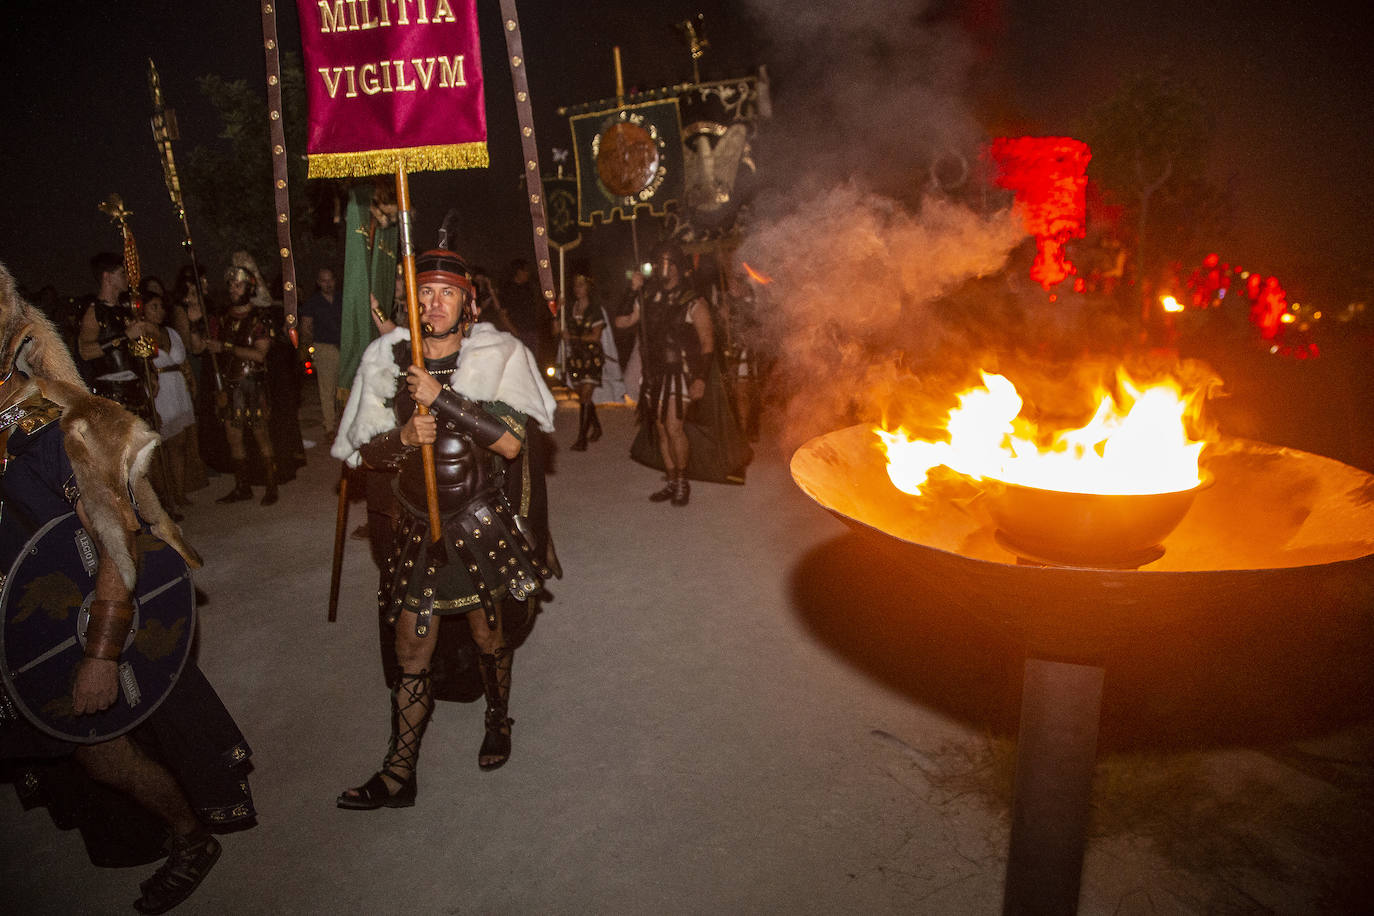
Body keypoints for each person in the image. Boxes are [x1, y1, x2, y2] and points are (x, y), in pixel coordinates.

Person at [0, 264, 254, 913]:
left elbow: (120, 533)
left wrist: (104, 651)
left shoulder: (64, 421)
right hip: (28, 630)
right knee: (85, 760)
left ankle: (191, 836)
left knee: (102, 755)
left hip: (86, 629)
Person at [331, 249, 556, 808]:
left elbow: (508, 443)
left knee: (487, 634)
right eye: (424, 293)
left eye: (446, 292)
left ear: (468, 304)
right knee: (412, 648)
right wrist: (402, 439)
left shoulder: (498, 355)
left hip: (478, 523)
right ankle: (398, 771)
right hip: (415, 527)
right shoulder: (388, 361)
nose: (434, 304)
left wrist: (443, 399)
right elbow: (365, 453)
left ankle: (499, 719)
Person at [616, 243, 716, 505]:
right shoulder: (648, 297)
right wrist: (632, 290)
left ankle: (682, 482)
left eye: (670, 263)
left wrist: (700, 378)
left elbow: (707, 343)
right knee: (661, 430)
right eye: (661, 262)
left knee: (673, 427)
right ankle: (671, 481)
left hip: (679, 374)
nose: (665, 268)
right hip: (654, 374)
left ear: (680, 268)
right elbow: (622, 322)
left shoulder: (693, 301)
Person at [192, 264, 278, 505]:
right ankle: (242, 486)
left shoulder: (260, 317)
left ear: (249, 287)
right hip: (229, 385)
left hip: (252, 384)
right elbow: (198, 347)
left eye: (237, 284)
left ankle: (271, 485)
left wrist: (226, 348)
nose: (232, 288)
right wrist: (195, 323)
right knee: (233, 437)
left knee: (261, 434)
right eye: (230, 284)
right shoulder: (221, 318)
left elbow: (260, 354)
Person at [76, 252, 158, 418]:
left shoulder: (124, 311)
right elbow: (85, 352)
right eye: (122, 273)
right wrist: (125, 336)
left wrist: (150, 373)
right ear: (108, 277)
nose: (127, 277)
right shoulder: (94, 312)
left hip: (137, 390)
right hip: (112, 394)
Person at [139, 281, 197, 515]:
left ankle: (180, 491)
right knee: (159, 445)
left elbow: (182, 361)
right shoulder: (141, 335)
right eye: (154, 307)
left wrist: (191, 382)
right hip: (159, 390)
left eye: (161, 306)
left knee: (179, 443)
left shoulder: (171, 332)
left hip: (178, 388)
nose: (160, 311)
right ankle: (163, 497)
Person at [559, 267, 607, 450]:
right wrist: (558, 309)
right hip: (576, 357)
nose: (577, 288)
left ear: (588, 287)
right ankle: (596, 427)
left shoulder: (595, 310)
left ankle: (581, 438)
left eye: (581, 285)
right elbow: (555, 330)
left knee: (586, 394)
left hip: (591, 357)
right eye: (575, 285)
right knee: (583, 396)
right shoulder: (569, 309)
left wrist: (572, 337)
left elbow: (595, 336)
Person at [300, 266, 342, 436]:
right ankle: (330, 426)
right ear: (318, 283)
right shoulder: (313, 302)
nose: (328, 284)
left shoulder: (342, 298)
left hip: (345, 348)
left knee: (346, 386)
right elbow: (306, 327)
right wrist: (308, 348)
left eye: (330, 279)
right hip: (324, 347)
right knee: (327, 389)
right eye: (323, 281)